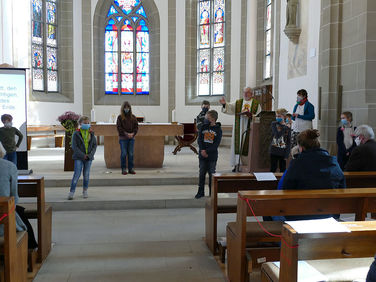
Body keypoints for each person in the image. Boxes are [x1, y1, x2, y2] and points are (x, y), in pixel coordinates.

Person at [277, 129, 345, 220]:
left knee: (268, 210)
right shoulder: (333, 162)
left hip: (300, 216)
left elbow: (286, 189)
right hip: (329, 215)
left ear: (301, 148)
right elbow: (342, 188)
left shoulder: (297, 163)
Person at [219, 87, 261, 171]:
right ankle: (237, 164)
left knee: (247, 145)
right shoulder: (238, 102)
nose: (245, 94)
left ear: (251, 94)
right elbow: (229, 107)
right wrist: (224, 104)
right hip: (239, 126)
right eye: (244, 92)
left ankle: (246, 165)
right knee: (237, 145)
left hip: (250, 128)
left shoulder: (256, 104)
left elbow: (259, 116)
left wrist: (252, 116)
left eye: (248, 92)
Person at [0, 158, 38, 249]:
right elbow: (14, 199)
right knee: (18, 213)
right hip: (3, 218)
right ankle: (31, 248)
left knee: (19, 211)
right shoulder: (9, 166)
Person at [68, 116, 97, 200]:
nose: (87, 124)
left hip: (89, 158)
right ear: (80, 124)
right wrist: (82, 155)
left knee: (86, 175)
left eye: (88, 123)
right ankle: (71, 192)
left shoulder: (91, 133)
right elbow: (74, 146)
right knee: (77, 174)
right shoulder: (76, 133)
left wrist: (90, 155)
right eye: (85, 123)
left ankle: (85, 191)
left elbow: (94, 145)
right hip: (79, 157)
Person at [195, 110, 222, 199]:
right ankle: (200, 191)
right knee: (202, 173)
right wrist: (202, 150)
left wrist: (207, 151)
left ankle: (212, 193)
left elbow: (216, 144)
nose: (206, 119)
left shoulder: (218, 129)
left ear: (213, 119)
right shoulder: (203, 127)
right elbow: (199, 140)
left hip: (212, 156)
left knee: (211, 174)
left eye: (208, 118)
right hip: (202, 155)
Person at [117, 101, 138, 175]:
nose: (127, 109)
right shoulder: (120, 117)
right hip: (123, 138)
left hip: (131, 138)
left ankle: (130, 168)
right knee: (124, 154)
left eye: (128, 107)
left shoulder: (133, 117)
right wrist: (126, 134)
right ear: (123, 108)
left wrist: (133, 134)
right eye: (125, 107)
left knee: (131, 154)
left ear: (130, 108)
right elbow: (119, 128)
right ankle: (123, 169)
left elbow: (136, 127)